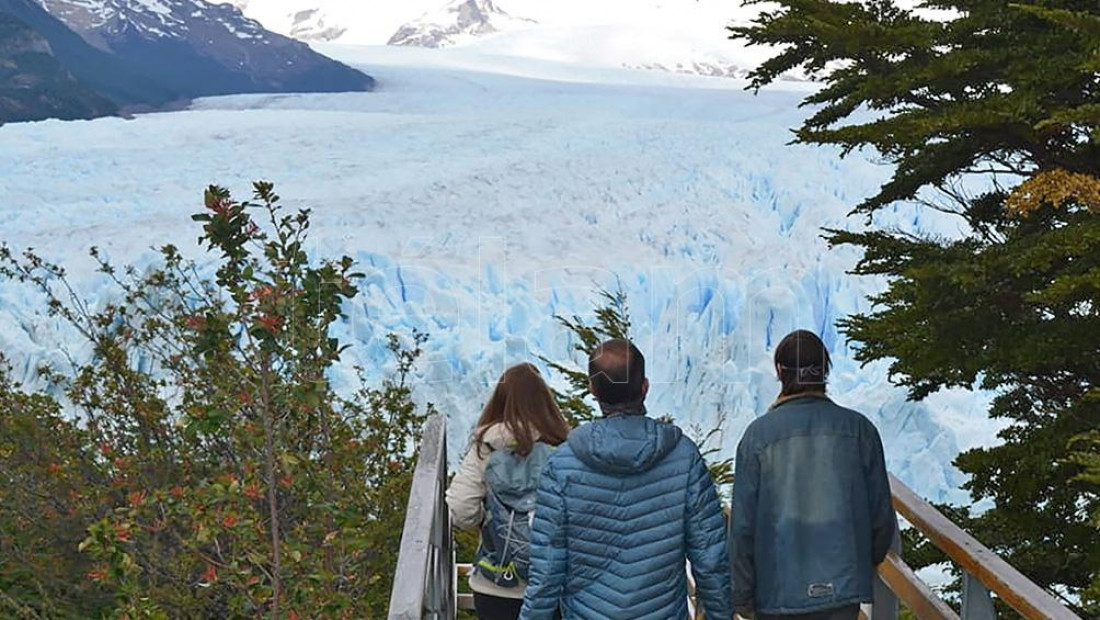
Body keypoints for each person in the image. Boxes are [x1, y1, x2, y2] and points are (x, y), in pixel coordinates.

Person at [520, 338, 732, 619]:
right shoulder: (683, 457)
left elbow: (547, 571)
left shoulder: (561, 466)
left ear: (592, 389)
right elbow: (710, 557)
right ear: (645, 386)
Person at [729, 329, 897, 620]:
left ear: (781, 371)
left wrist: (742, 597)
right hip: (842, 593)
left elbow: (743, 528)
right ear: (825, 370)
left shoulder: (757, 437)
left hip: (776, 596)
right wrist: (857, 565)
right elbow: (882, 520)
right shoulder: (859, 431)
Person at [446, 363, 571, 620]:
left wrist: (485, 521)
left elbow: (460, 508)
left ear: (500, 401)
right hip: (553, 585)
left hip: (496, 583)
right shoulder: (563, 448)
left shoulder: (487, 448)